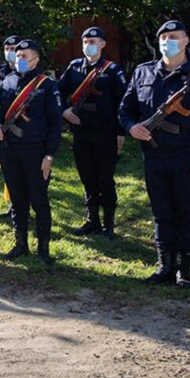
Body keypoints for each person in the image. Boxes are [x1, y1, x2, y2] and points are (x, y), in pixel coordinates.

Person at [119, 20, 190, 288]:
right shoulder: (143, 73)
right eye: (164, 36)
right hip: (154, 157)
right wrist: (132, 127)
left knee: (186, 212)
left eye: (174, 36)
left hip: (188, 157)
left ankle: (184, 271)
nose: (168, 41)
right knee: (161, 212)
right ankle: (164, 266)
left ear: (186, 39)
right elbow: (125, 109)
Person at [0, 39, 62, 264]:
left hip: (35, 152)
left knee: (38, 200)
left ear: (36, 59)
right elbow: (0, 111)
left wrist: (49, 154)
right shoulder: (7, 81)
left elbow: (55, 124)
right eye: (17, 55)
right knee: (17, 200)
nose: (19, 59)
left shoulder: (47, 85)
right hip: (10, 150)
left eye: (24, 56)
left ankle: (43, 249)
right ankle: (20, 244)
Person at [58, 27, 128, 238]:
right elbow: (57, 93)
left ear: (103, 44)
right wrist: (65, 111)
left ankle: (108, 225)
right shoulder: (74, 67)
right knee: (87, 177)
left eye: (93, 41)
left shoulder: (112, 70)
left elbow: (124, 102)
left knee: (105, 178)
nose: (89, 44)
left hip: (105, 133)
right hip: (81, 132)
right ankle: (92, 221)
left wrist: (121, 132)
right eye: (86, 41)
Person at [0, 35, 22, 220]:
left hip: (21, 130)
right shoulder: (0, 72)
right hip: (1, 127)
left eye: (13, 48)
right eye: (7, 48)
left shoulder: (31, 74)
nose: (10, 52)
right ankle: (12, 205)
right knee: (7, 167)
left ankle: (24, 206)